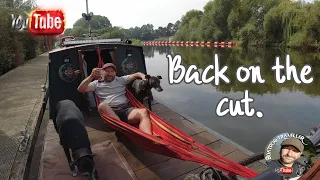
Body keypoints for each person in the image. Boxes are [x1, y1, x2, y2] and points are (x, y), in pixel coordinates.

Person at [77, 63, 153, 135]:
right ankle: (124, 128)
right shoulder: (96, 83)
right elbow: (80, 89)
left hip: (126, 110)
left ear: (115, 73)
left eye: (112, 71)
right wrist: (91, 76)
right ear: (102, 73)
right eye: (107, 71)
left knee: (144, 111)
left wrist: (144, 78)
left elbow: (137, 74)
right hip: (110, 112)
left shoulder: (121, 80)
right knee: (102, 105)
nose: (109, 73)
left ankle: (150, 138)